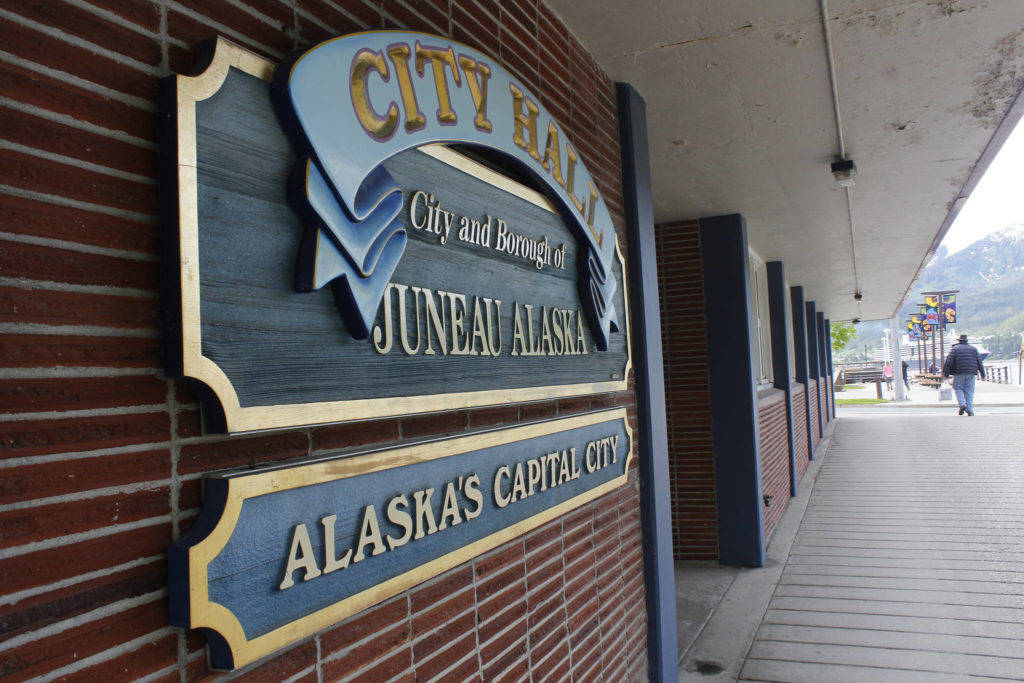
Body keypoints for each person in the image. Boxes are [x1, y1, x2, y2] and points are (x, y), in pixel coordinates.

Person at [941, 334, 985, 416]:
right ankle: (970, 410)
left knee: (958, 388)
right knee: (969, 391)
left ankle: (962, 404)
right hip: (971, 373)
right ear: (966, 341)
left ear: (959, 341)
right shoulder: (974, 349)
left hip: (958, 373)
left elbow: (949, 362)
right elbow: (980, 362)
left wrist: (946, 374)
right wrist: (983, 375)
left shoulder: (955, 349)